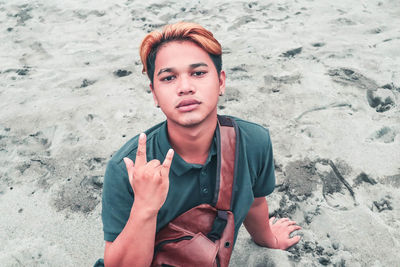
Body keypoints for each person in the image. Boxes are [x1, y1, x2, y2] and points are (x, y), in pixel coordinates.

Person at [100, 22, 301, 267]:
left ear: (221, 82)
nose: (185, 88)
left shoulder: (254, 141)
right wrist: (145, 206)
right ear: (154, 93)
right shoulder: (128, 168)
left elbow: (255, 201)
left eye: (198, 73)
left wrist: (268, 239)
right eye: (169, 77)